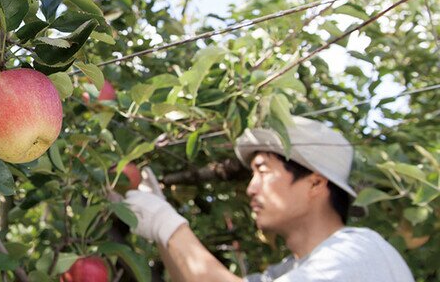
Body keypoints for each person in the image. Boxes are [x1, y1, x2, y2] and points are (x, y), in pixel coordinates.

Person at [124, 116, 414, 281]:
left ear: (314, 183)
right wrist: (161, 230)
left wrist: (168, 224)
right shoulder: (288, 271)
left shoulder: (356, 251)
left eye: (263, 171)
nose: (251, 188)